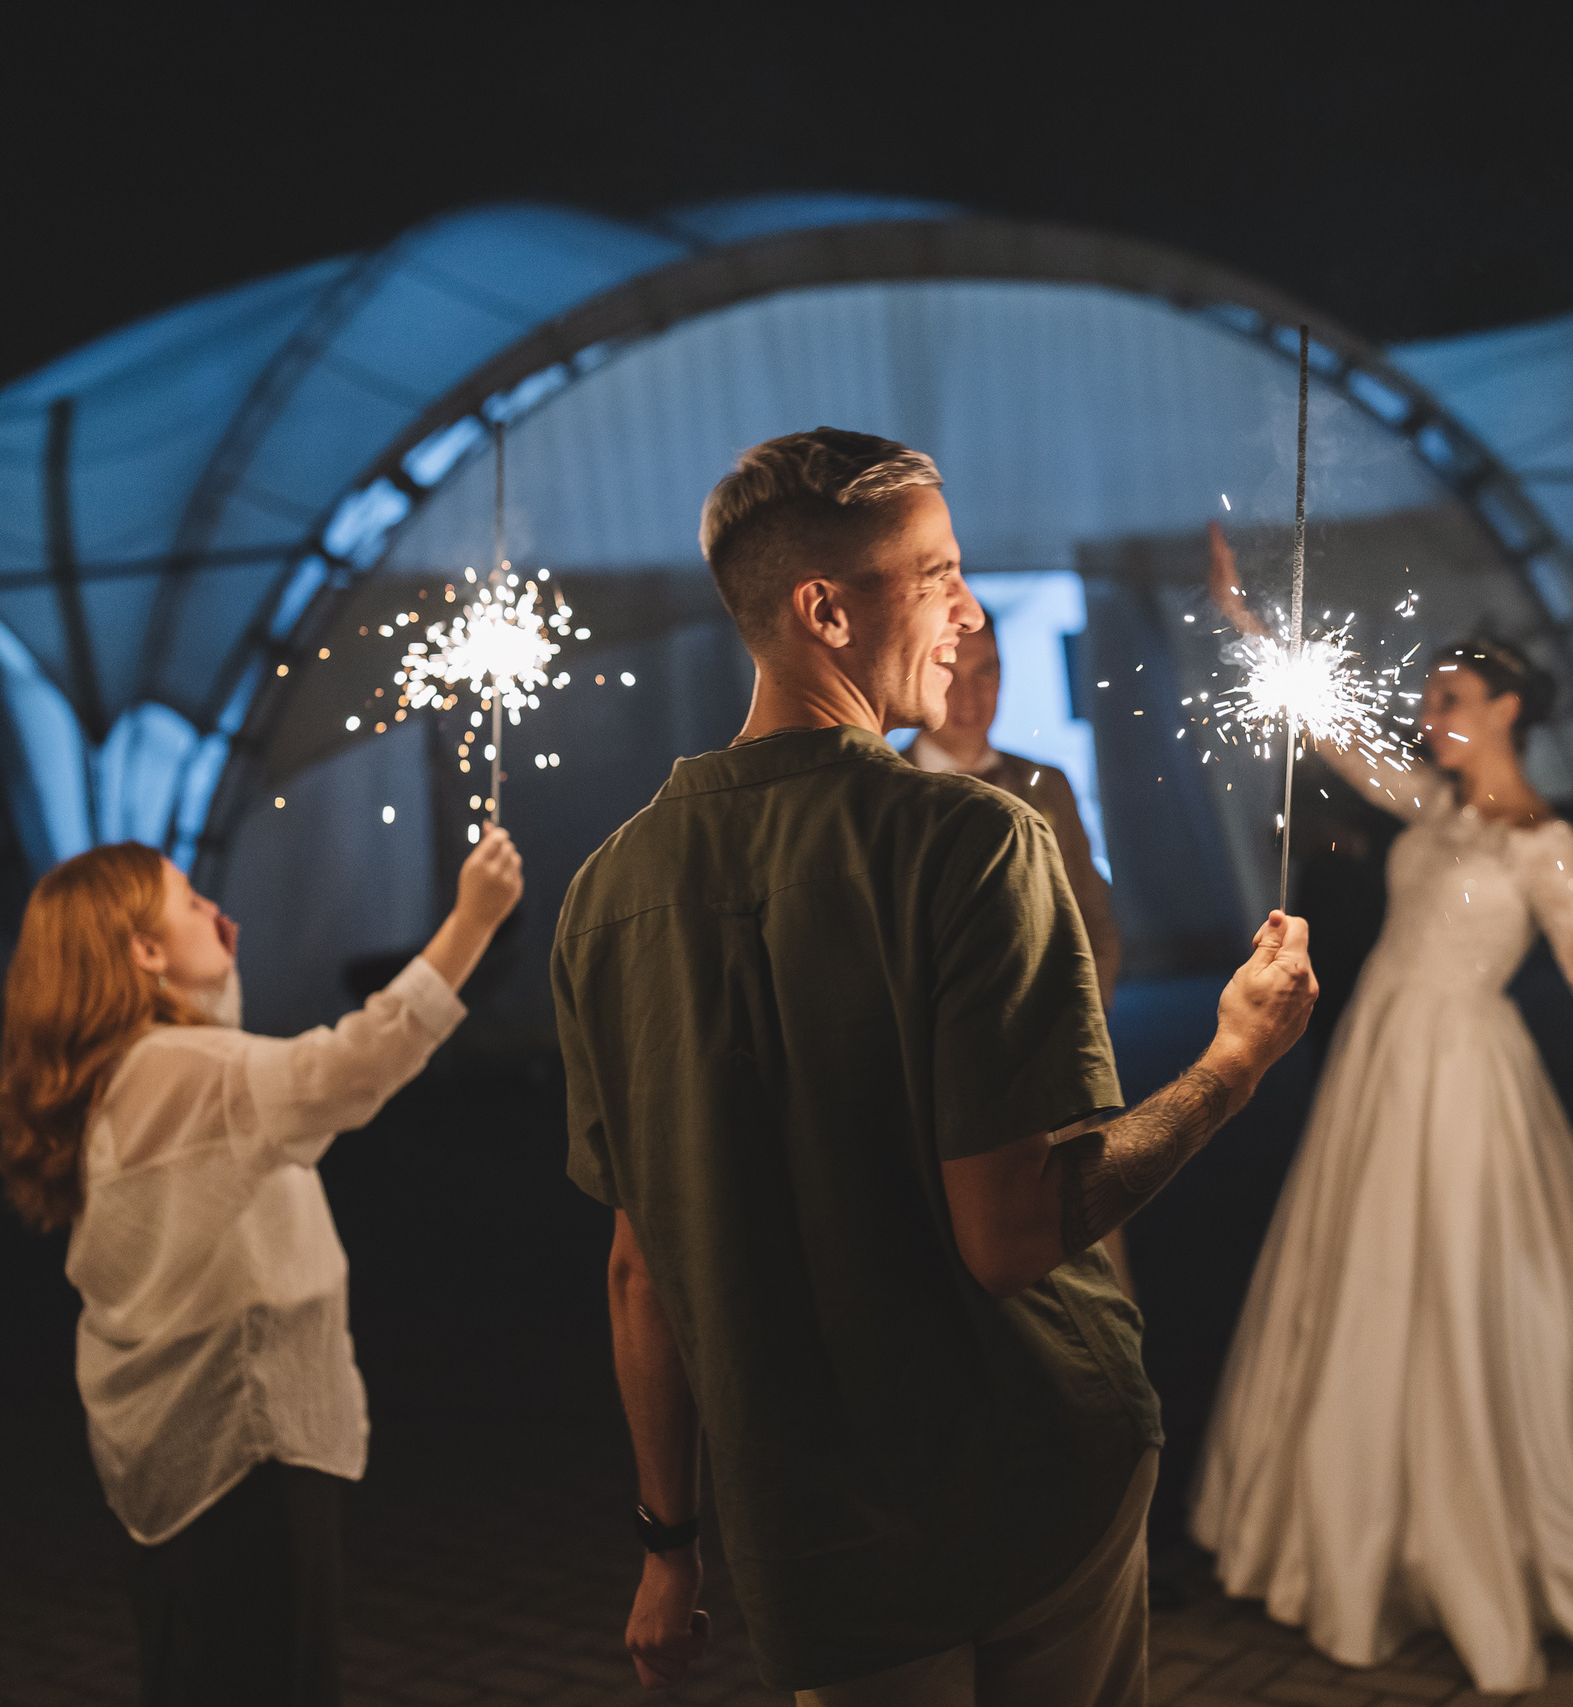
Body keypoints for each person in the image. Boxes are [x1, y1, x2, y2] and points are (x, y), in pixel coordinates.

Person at [549, 428, 1317, 1704]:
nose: (966, 612)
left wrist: (668, 1546)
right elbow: (1010, 1235)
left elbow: (641, 1269)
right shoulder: (972, 840)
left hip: (811, 1531)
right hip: (1020, 1476)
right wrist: (1232, 1063)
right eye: (938, 573)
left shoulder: (604, 895)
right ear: (824, 611)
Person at [1191, 526, 1573, 1695]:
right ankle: (1362, 1529)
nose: (1428, 712)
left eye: (1448, 697)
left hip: (1465, 1074)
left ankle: (1488, 1532)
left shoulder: (1543, 841)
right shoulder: (1431, 803)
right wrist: (1248, 626)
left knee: (1464, 1281)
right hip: (1379, 1061)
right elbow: (1329, 732)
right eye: (1431, 696)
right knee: (1362, 1276)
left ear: (1504, 710)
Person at [0, 828, 524, 1706]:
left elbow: (241, 1078)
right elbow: (349, 1066)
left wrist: (208, 979)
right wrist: (472, 923)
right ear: (144, 949)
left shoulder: (133, 1076)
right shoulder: (175, 1069)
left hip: (189, 1465)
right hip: (244, 1458)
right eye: (189, 897)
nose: (216, 907)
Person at [909, 621, 1137, 1297]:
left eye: (988, 670)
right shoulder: (886, 792)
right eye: (954, 672)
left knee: (1091, 1270)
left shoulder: (1047, 784)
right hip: (944, 1096)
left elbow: (1094, 921)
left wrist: (1077, 1030)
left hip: (1057, 1078)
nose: (973, 694)